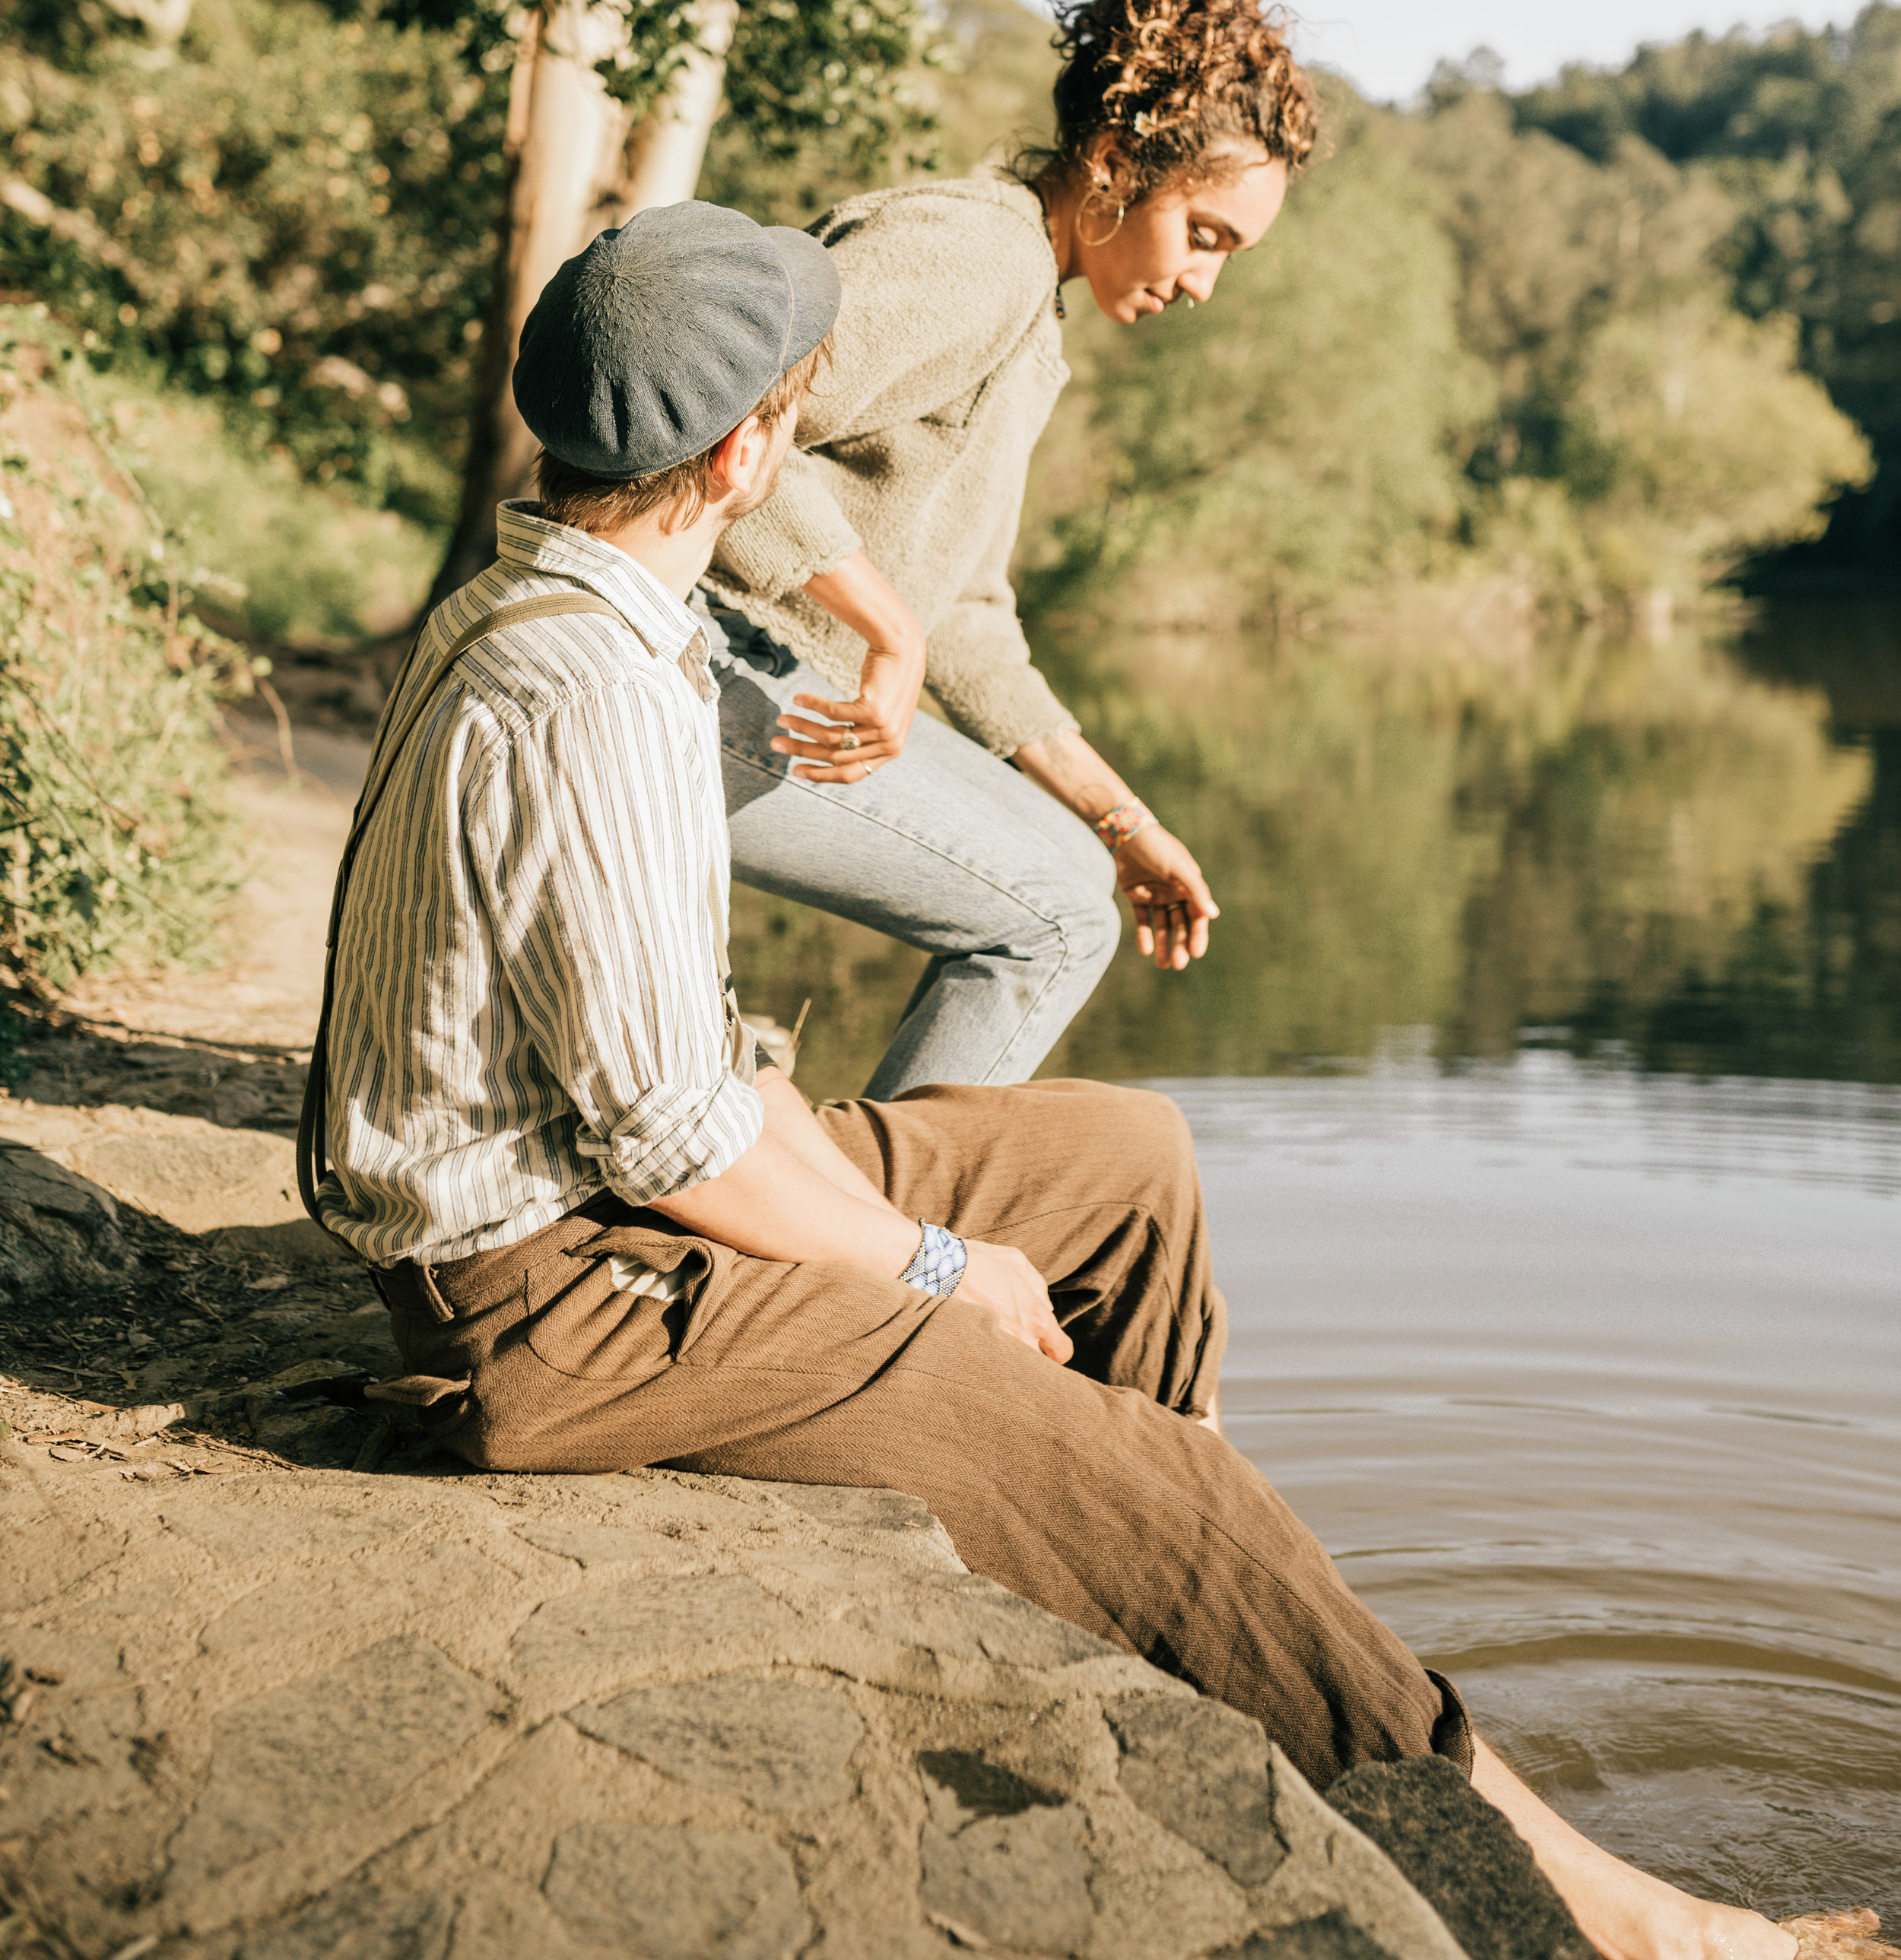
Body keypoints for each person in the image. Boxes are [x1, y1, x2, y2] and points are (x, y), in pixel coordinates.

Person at [306, 200, 1796, 1960]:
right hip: (552, 1303)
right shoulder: (581, 686)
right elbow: (670, 1130)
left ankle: (1188, 1618)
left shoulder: (600, 615)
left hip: (617, 1199)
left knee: (1128, 1154)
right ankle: (1622, 1916)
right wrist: (930, 1263)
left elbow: (685, 1071)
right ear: (743, 451)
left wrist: (880, 1199)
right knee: (1153, 1475)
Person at [696, 0, 1313, 1097]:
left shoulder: (1032, 311)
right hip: (679, 673)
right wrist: (885, 624)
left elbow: (969, 613)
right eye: (1207, 233)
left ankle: (870, 1217)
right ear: (1118, 161)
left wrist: (1126, 824)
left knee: (1081, 881)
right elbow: (726, 412)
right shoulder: (976, 257)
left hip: (764, 674)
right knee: (1053, 920)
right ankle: (880, 1240)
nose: (1204, 283)